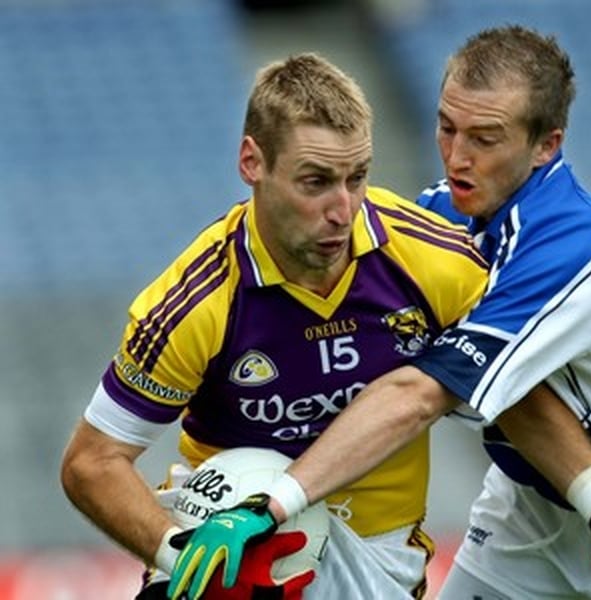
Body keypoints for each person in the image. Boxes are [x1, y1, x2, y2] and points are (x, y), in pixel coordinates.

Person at [166, 25, 591, 599]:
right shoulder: (440, 221)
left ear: (546, 145)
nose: (457, 157)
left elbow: (424, 392)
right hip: (535, 507)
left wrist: (268, 503)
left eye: (484, 139)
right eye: (446, 128)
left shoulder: (573, 248)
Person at [61, 52, 503, 599]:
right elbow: (92, 461)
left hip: (377, 555)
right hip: (227, 542)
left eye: (357, 177)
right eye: (316, 181)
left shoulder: (436, 263)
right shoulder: (195, 304)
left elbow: (530, 392)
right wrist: (178, 555)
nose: (343, 210)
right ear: (252, 162)